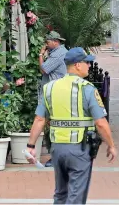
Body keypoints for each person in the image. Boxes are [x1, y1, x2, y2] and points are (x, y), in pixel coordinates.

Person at [26, 47, 117, 204]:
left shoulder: (50, 88)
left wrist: (30, 145)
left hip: (57, 149)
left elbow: (39, 120)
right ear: (77, 65)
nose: (89, 65)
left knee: (61, 194)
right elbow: (101, 123)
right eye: (87, 62)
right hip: (79, 149)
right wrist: (111, 145)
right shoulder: (87, 88)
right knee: (76, 197)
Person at [38, 31, 68, 167]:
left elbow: (44, 69)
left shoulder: (58, 54)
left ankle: (56, 156)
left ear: (55, 41)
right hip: (53, 92)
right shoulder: (56, 52)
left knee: (54, 125)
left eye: (48, 42)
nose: (46, 44)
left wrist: (40, 55)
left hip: (54, 94)